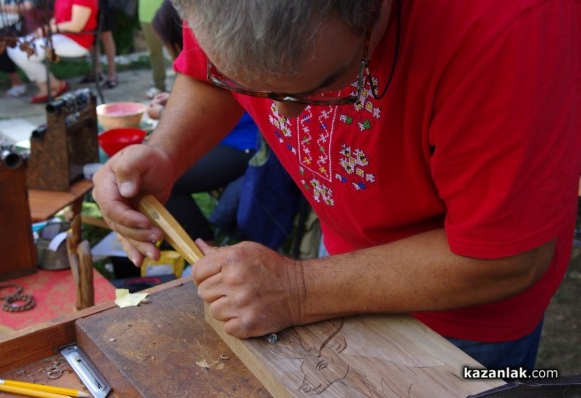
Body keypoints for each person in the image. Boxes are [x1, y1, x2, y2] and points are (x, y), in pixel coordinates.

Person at [92, 0, 581, 372]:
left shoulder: (511, 25)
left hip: (466, 321)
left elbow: (507, 257)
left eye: (322, 84)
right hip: (344, 265)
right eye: (259, 89)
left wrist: (300, 288)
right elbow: (208, 75)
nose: (283, 114)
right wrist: (165, 151)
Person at [164, 112, 258, 244]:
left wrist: (163, 112)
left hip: (246, 146)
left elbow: (211, 114)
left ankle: (205, 247)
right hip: (220, 140)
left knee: (167, 179)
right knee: (159, 168)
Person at [6, 0, 98, 103]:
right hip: (60, 36)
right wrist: (43, 31)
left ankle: (49, 86)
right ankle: (53, 84)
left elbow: (76, 26)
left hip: (77, 41)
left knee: (24, 53)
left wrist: (50, 29)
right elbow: (57, 19)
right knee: (13, 47)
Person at [138, 0, 165, 98]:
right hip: (146, 14)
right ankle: (159, 86)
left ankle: (183, 85)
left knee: (178, 51)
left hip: (168, 10)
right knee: (154, 52)